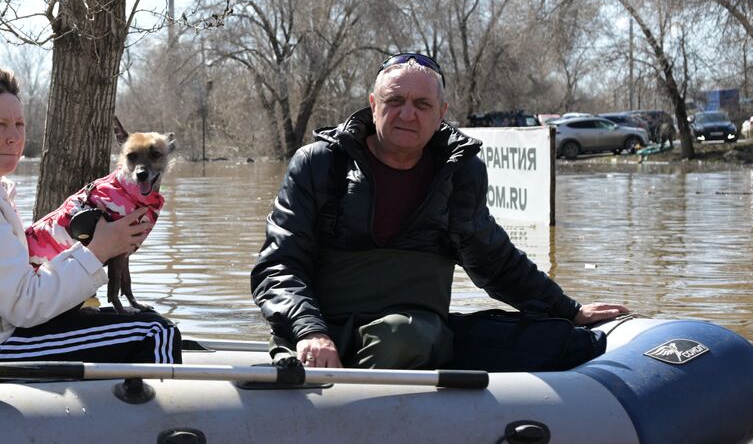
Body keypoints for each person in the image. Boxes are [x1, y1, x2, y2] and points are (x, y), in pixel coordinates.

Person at [251, 53, 628, 370]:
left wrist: (569, 310)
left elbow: (494, 260)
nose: (407, 115)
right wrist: (309, 330)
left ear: (442, 112)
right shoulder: (319, 163)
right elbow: (278, 265)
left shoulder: (460, 171)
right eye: (395, 101)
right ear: (372, 104)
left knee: (411, 336)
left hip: (415, 334)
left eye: (422, 104)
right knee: (399, 337)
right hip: (320, 331)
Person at [0, 64, 182, 364]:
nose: (14, 137)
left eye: (19, 124)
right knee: (155, 332)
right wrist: (98, 251)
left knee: (138, 319)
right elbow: (25, 304)